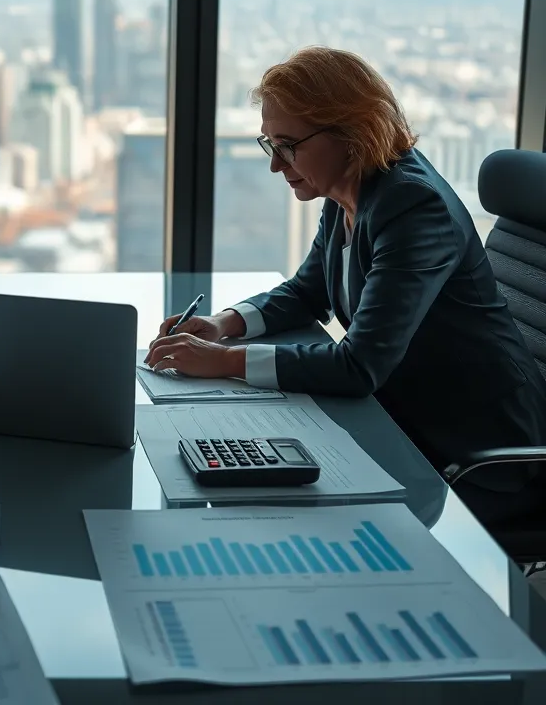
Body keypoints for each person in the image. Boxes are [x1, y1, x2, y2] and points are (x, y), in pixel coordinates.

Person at [145, 46, 546, 523]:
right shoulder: (348, 189)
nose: (276, 164)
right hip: (401, 418)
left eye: (289, 145)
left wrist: (223, 362)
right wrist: (222, 325)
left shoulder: (414, 207)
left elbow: (359, 366)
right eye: (269, 143)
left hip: (478, 452)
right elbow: (307, 291)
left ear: (352, 133)